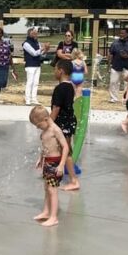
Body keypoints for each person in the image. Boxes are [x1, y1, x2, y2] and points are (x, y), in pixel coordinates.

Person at [29, 106, 70, 227]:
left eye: (38, 125)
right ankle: (46, 212)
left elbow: (66, 147)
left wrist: (62, 165)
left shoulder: (55, 130)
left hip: (55, 163)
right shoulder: (45, 131)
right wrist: (40, 159)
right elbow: (45, 147)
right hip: (47, 162)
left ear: (46, 119)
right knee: (47, 188)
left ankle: (54, 217)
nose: (37, 128)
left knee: (53, 190)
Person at [49, 60, 80, 191]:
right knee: (64, 149)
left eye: (55, 69)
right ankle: (57, 170)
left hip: (63, 123)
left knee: (65, 151)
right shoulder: (70, 86)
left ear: (61, 71)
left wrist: (48, 125)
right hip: (69, 121)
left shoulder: (60, 88)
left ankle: (74, 180)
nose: (54, 71)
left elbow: (56, 109)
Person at [108, 28, 128, 103]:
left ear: (127, 34)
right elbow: (110, 54)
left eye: (123, 33)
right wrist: (109, 64)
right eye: (120, 33)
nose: (121, 35)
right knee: (113, 81)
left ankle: (127, 98)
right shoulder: (115, 43)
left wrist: (127, 56)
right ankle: (114, 98)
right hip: (116, 65)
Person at [22, 27, 50, 106]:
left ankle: (34, 98)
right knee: (30, 82)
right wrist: (43, 49)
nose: (35, 34)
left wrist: (46, 50)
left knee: (36, 83)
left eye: (36, 33)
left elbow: (41, 55)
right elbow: (34, 53)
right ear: (29, 34)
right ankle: (28, 99)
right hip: (30, 65)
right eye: (33, 33)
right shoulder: (26, 43)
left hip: (37, 65)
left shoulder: (37, 42)